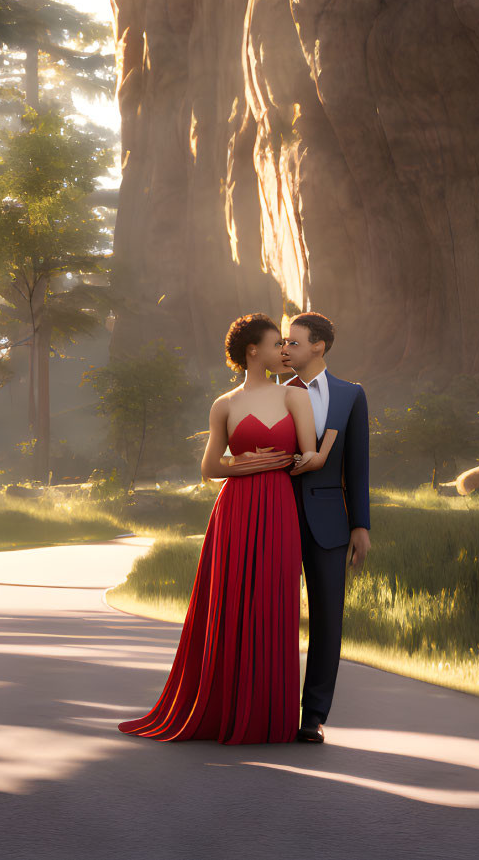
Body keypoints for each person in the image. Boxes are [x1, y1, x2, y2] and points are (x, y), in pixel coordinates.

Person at [118, 313, 331, 744]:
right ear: (254, 351)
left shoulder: (295, 398)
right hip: (234, 510)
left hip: (278, 509)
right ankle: (223, 709)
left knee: (273, 603)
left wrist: (321, 450)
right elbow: (209, 468)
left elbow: (306, 457)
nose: (284, 351)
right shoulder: (225, 404)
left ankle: (268, 715)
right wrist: (243, 463)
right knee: (230, 603)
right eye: (277, 345)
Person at [280, 311, 371, 744]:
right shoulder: (274, 394)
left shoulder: (350, 395)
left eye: (293, 343)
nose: (284, 349)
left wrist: (361, 525)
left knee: (328, 622)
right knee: (273, 616)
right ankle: (272, 710)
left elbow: (357, 466)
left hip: (331, 523)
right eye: (282, 343)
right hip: (275, 515)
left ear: (318, 346)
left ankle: (312, 717)